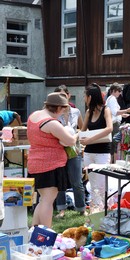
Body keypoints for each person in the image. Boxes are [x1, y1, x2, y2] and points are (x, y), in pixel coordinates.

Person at [27, 92, 78, 228]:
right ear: (59, 108)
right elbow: (70, 140)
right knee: (48, 201)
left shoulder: (34, 116)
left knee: (43, 200)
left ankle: (34, 231)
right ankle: (46, 234)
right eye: (62, 110)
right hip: (50, 165)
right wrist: (76, 135)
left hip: (35, 163)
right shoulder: (51, 123)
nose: (62, 113)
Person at [54, 85, 87, 218]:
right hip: (59, 151)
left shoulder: (76, 111)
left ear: (68, 95)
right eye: (59, 97)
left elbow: (82, 128)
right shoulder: (55, 114)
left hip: (74, 151)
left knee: (77, 181)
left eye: (63, 95)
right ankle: (61, 209)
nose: (62, 98)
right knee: (60, 181)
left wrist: (78, 137)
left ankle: (81, 208)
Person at [80, 83, 113, 214]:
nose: (83, 98)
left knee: (102, 184)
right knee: (93, 183)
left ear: (90, 97)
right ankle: (95, 211)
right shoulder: (89, 111)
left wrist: (90, 140)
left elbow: (109, 128)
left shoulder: (106, 110)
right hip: (89, 152)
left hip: (102, 152)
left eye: (85, 96)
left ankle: (104, 210)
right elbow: (82, 131)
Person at [105, 82, 130, 163]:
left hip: (113, 122)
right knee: (115, 143)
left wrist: (123, 114)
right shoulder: (113, 99)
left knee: (113, 143)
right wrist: (127, 110)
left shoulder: (109, 98)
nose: (120, 93)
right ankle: (113, 162)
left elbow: (113, 112)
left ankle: (112, 162)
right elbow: (115, 112)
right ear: (114, 91)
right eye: (119, 91)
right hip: (114, 124)